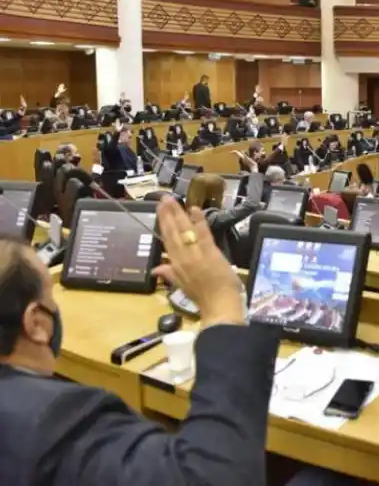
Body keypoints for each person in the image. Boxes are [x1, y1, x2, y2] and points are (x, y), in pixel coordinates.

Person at [0, 197, 281, 486]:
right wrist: (222, 302)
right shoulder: (50, 422)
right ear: (36, 324)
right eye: (50, 296)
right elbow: (217, 477)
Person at [186, 173, 261, 256]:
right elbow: (251, 205)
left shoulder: (187, 212)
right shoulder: (212, 218)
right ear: (214, 197)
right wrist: (255, 172)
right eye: (222, 193)